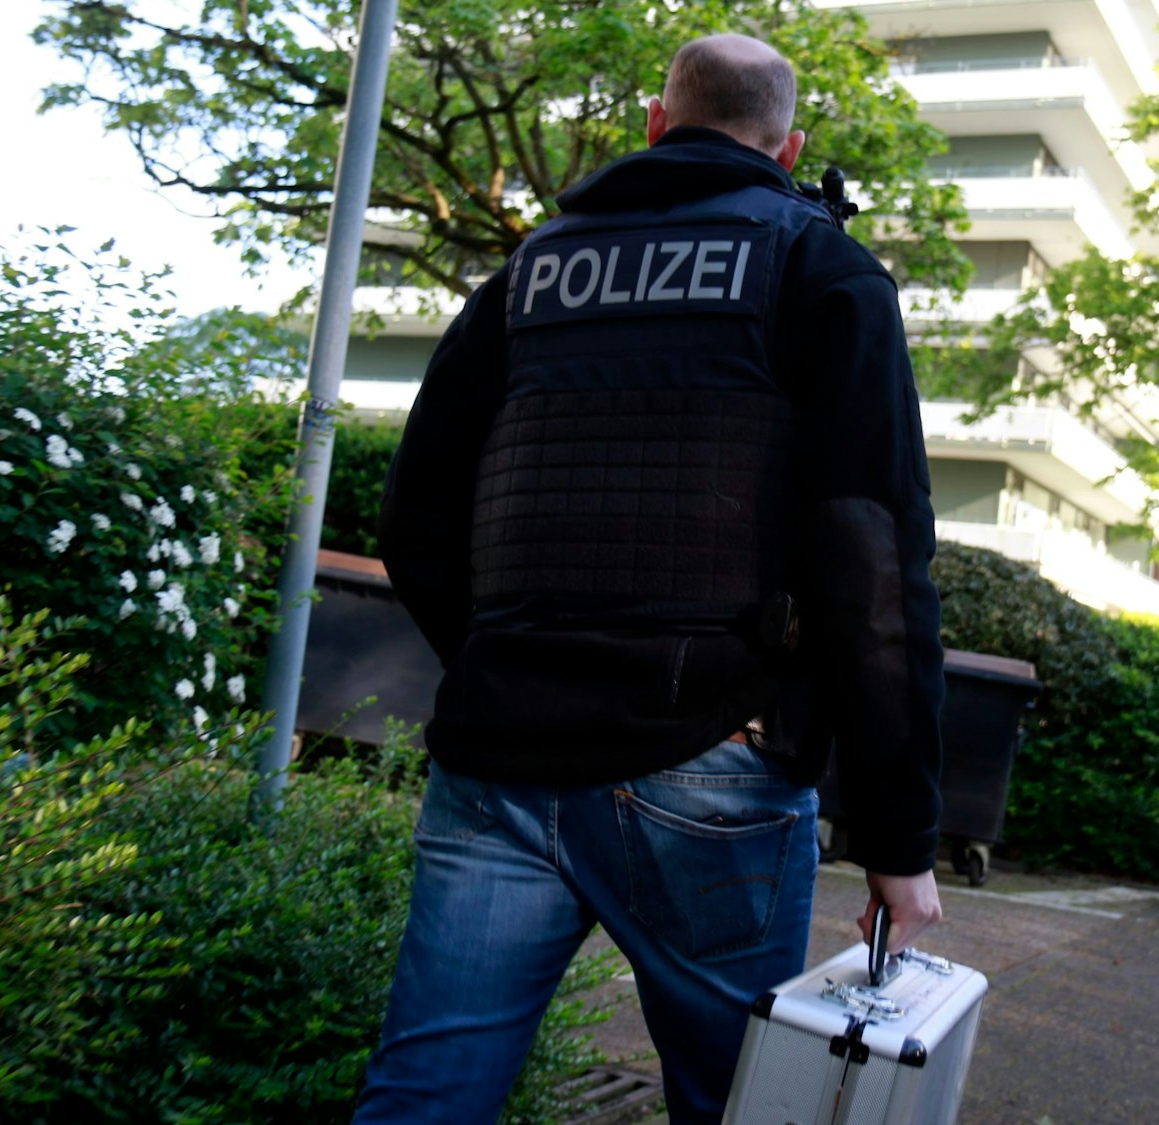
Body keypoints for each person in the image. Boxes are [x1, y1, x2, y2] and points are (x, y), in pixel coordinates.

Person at [355, 32, 946, 1124]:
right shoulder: (820, 268)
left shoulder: (525, 273)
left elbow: (416, 519)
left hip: (499, 756)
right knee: (738, 1105)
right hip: (707, 757)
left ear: (652, 124)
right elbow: (870, 565)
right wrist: (900, 838)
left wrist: (506, 659)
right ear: (788, 145)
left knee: (425, 1095)